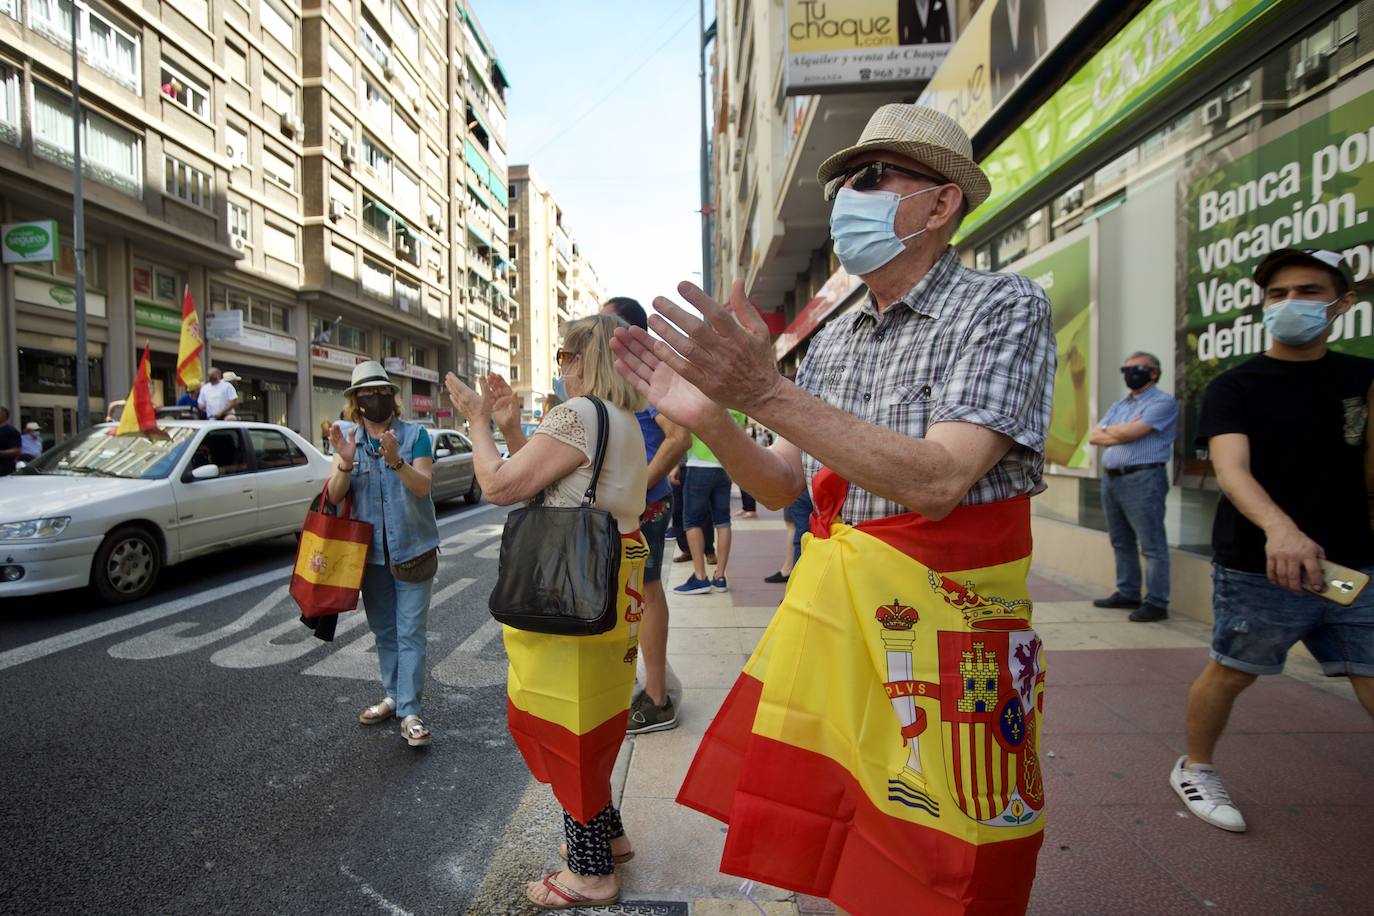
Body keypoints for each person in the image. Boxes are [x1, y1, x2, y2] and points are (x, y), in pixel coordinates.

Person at [610, 104, 1055, 913]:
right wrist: (712, 417)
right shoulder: (839, 338)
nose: (849, 194)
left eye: (872, 176)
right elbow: (786, 484)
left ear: (941, 201)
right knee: (854, 824)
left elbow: (940, 480)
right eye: (846, 180)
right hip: (849, 629)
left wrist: (767, 391)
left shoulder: (1001, 307)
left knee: (961, 835)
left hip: (953, 634)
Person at [444, 314, 649, 910]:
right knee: (596, 715)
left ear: (586, 358)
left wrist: (478, 423)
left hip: (572, 587)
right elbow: (560, 490)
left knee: (565, 726)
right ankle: (610, 836)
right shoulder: (621, 420)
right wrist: (513, 428)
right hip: (611, 579)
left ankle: (591, 874)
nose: (560, 367)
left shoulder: (580, 413)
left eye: (564, 355)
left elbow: (503, 488)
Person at [1173, 248, 1374, 834]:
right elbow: (1233, 471)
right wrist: (1281, 531)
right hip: (1259, 566)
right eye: (1277, 294)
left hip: (1351, 566)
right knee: (1234, 670)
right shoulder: (1235, 386)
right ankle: (1196, 765)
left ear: (1341, 304)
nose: (1290, 304)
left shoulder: (1362, 378)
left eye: (1308, 292)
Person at [326, 361, 439, 748]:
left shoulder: (416, 436)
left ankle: (409, 711)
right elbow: (336, 495)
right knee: (385, 632)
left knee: (410, 633)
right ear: (356, 403)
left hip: (413, 551)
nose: (374, 399)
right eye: (366, 394)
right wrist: (344, 460)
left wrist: (395, 460)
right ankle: (392, 696)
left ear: (392, 397)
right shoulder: (348, 440)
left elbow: (422, 487)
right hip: (370, 558)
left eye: (381, 392)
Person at [602, 296, 692, 734]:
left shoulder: (648, 375)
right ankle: (651, 684)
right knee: (636, 597)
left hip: (647, 505)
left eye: (603, 322)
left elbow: (679, 437)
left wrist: (639, 487)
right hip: (631, 506)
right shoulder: (623, 374)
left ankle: (658, 699)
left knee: (649, 594)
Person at [1088, 352, 1179, 622]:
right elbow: (1094, 435)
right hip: (1112, 478)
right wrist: (1119, 431)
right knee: (1120, 540)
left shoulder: (1163, 402)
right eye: (1125, 369)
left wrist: (1115, 431)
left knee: (1152, 545)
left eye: (1137, 368)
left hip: (1143, 479)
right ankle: (1128, 592)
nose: (1130, 373)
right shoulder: (1121, 404)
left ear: (1153, 372)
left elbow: (1131, 433)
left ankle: (1157, 601)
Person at [675, 417, 745, 596]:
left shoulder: (699, 398)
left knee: (692, 521)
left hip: (698, 464)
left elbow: (682, 434)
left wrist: (675, 464)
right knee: (723, 521)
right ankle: (720, 577)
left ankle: (700, 577)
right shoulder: (734, 404)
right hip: (724, 467)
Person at [0, 407, 22, 476]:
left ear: (3, 416)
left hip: (4, 469)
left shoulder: (12, 431)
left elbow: (17, 450)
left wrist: (1, 453)